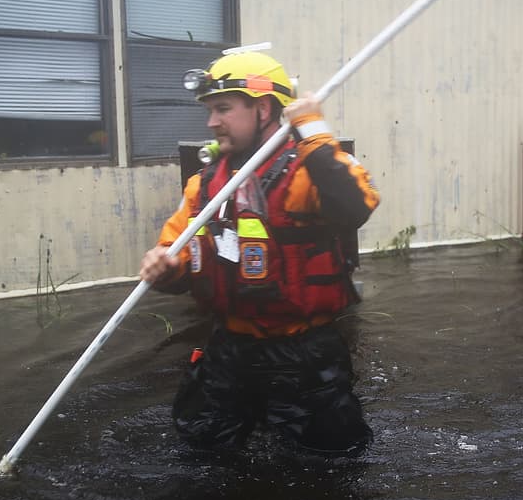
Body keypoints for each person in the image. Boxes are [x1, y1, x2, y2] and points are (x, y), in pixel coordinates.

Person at [140, 49, 380, 456]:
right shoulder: (204, 185)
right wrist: (167, 267)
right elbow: (178, 246)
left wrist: (312, 127)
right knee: (203, 450)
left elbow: (355, 205)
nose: (211, 122)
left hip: (302, 354)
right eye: (210, 110)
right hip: (228, 348)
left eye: (223, 108)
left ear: (264, 108)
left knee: (328, 465)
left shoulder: (310, 170)